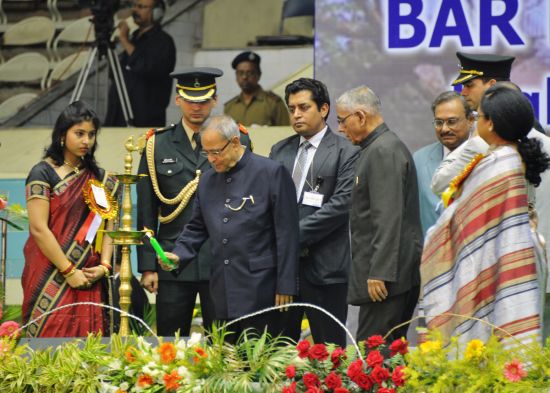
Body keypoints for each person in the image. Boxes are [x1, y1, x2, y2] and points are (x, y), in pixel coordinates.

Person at [421, 85, 549, 346]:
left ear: (491, 124)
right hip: (516, 254)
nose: (475, 122)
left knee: (496, 342)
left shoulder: (499, 163)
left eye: (478, 117)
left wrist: (435, 237)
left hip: (500, 259)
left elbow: (460, 216)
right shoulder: (510, 156)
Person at [161, 115, 299, 342]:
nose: (212, 160)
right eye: (207, 153)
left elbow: (287, 235)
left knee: (259, 362)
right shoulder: (207, 181)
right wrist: (178, 255)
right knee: (224, 363)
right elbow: (197, 227)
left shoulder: (271, 173)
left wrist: (286, 284)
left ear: (235, 143)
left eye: (216, 152)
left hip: (262, 288)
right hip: (222, 289)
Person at [137, 68, 252, 337]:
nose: (196, 107)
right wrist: (147, 265)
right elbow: (146, 209)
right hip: (173, 259)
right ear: (177, 99)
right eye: (190, 99)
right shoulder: (157, 144)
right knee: (169, 343)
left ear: (214, 100)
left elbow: (246, 203)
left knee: (226, 343)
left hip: (222, 259)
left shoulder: (238, 139)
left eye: (203, 100)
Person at [269, 78, 359, 347]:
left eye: (303, 107)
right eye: (292, 108)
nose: (296, 114)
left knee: (330, 352)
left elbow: (341, 206)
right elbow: (267, 205)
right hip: (284, 271)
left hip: (326, 269)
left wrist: (290, 236)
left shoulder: (346, 151)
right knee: (278, 351)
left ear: (323, 109)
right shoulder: (279, 150)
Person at [22, 101, 118, 337]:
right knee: (49, 344)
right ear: (62, 135)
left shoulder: (98, 178)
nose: (87, 140)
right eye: (79, 134)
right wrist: (68, 271)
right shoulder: (42, 173)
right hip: (49, 272)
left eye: (91, 134)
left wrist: (104, 267)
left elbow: (108, 225)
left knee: (90, 346)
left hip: (89, 275)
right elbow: (38, 228)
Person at [336, 86, 423, 342]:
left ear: (361, 116)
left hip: (386, 279)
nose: (340, 128)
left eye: (342, 120)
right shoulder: (377, 148)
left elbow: (388, 217)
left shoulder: (383, 151)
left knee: (374, 356)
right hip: (388, 274)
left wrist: (380, 273)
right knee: (387, 355)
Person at [105, 0, 176, 127]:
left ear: (156, 13)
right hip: (118, 118)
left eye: (141, 7)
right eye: (134, 6)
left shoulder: (164, 42)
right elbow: (116, 74)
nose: (135, 10)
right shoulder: (134, 38)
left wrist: (124, 40)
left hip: (144, 121)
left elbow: (147, 67)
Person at [413, 92, 473, 234]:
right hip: (432, 251)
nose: (444, 129)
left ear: (470, 120)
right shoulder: (420, 159)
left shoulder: (484, 155)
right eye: (439, 122)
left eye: (451, 121)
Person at [224, 51, 290, 127]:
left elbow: (286, 134)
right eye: (240, 73)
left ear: (258, 75)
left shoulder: (273, 103)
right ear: (236, 76)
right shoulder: (230, 107)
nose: (244, 77)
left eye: (249, 73)